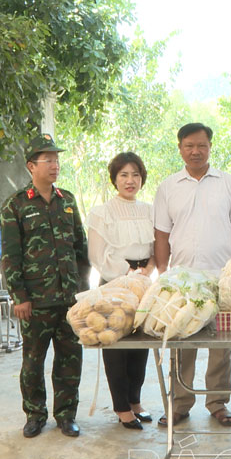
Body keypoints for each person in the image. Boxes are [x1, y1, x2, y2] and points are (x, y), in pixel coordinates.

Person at [153, 123, 231, 427]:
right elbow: (161, 235)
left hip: (222, 276)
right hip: (182, 280)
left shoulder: (229, 184)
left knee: (221, 346)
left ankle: (218, 403)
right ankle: (180, 404)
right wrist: (162, 274)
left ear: (210, 147)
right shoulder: (168, 187)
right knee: (183, 342)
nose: (195, 151)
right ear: (180, 148)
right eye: (189, 146)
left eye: (201, 145)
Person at [0, 134, 90, 438]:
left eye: (56, 159)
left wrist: (84, 292)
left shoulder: (67, 200)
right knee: (33, 362)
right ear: (31, 166)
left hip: (68, 299)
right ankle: (35, 414)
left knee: (70, 360)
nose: (55, 165)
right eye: (48, 160)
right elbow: (10, 255)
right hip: (35, 301)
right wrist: (19, 296)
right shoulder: (15, 205)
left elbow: (81, 247)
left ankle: (66, 415)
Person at [86, 152, 156, 430]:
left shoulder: (150, 210)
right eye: (124, 175)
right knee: (115, 343)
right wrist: (127, 275)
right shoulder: (101, 212)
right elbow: (96, 255)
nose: (130, 181)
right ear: (114, 179)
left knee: (141, 344)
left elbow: (158, 247)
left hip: (144, 280)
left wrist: (146, 272)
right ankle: (121, 407)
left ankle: (136, 400)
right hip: (114, 281)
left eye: (136, 175)